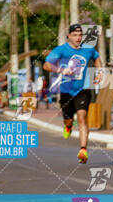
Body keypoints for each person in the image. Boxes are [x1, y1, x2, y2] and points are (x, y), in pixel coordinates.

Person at [43, 23, 102, 164]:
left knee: (82, 117)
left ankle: (83, 149)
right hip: (66, 91)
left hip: (83, 90)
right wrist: (60, 70)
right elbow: (46, 65)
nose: (78, 37)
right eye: (75, 35)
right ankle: (68, 125)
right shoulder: (61, 50)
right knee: (68, 119)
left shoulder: (88, 49)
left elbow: (97, 57)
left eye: (80, 34)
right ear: (69, 36)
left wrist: (99, 71)